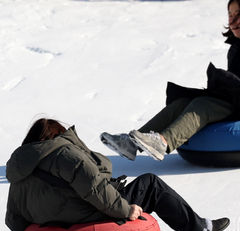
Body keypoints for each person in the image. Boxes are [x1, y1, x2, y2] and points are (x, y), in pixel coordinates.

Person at [6, 118, 230, 231]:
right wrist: (125, 210)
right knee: (150, 184)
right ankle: (198, 228)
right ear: (59, 134)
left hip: (56, 219)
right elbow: (95, 189)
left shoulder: (21, 165)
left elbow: (14, 221)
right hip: (88, 212)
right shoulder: (64, 154)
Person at [101, 0, 240, 161]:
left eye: (238, 14)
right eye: (230, 14)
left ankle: (163, 142)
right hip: (233, 99)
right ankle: (131, 144)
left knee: (201, 105)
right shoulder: (235, 48)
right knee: (181, 103)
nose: (232, 20)